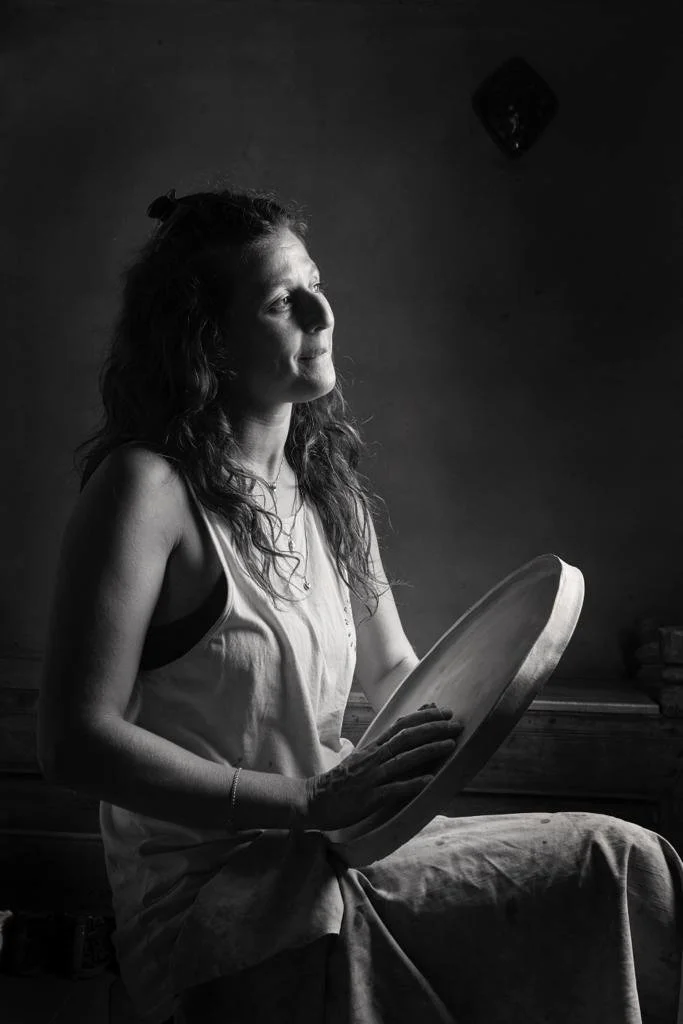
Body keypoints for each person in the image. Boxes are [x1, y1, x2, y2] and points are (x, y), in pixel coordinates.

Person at [38, 188, 683, 1024]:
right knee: (604, 861)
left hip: (337, 847)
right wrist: (307, 803)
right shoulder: (146, 491)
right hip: (214, 904)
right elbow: (74, 743)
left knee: (625, 860)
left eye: (316, 283)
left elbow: (397, 675)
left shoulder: (327, 495)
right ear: (209, 339)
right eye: (281, 300)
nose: (322, 310)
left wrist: (491, 693)